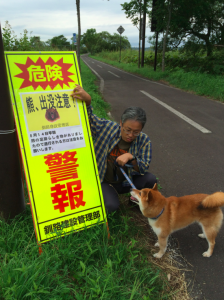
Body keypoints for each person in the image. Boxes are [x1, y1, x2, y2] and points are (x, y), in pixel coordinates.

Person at [71, 84, 157, 213]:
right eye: (127, 130)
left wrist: (131, 157)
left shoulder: (144, 140)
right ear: (121, 123)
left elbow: (144, 166)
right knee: (111, 206)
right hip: (104, 180)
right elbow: (88, 120)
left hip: (126, 182)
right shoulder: (107, 128)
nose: (130, 135)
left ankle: (134, 201)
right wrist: (88, 102)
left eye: (136, 132)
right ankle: (105, 195)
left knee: (150, 179)